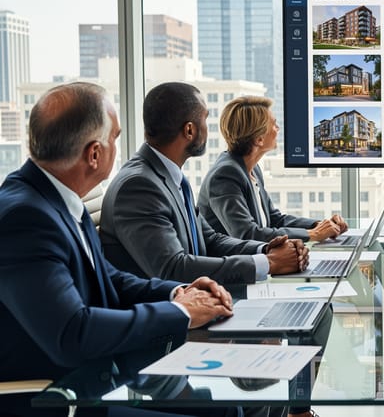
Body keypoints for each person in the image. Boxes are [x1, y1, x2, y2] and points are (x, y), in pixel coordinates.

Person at [0, 82, 237, 417]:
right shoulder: (25, 218)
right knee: (223, 411)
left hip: (93, 378)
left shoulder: (56, 197)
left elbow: (108, 278)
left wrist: (178, 293)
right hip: (55, 400)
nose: (120, 146)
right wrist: (182, 314)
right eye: (115, 137)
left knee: (228, 406)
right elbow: (73, 332)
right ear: (94, 154)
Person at [101, 82, 309, 285]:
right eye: (205, 120)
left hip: (200, 298)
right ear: (189, 130)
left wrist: (264, 250)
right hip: (169, 309)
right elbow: (172, 268)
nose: (209, 129)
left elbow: (210, 240)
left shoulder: (170, 176)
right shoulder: (139, 186)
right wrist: (268, 263)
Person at [198, 96, 347, 243]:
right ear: (259, 139)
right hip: (237, 264)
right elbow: (247, 234)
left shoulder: (252, 168)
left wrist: (319, 226)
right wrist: (311, 234)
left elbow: (274, 219)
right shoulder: (225, 176)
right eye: (274, 125)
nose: (278, 129)